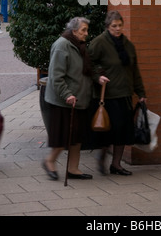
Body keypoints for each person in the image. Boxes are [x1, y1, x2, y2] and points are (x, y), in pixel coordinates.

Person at [88, 10, 147, 176]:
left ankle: (116, 164)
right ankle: (102, 156)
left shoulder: (128, 45)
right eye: (114, 26)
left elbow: (134, 70)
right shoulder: (99, 43)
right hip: (107, 96)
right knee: (108, 130)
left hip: (125, 95)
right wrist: (98, 76)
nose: (117, 29)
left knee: (123, 131)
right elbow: (88, 64)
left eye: (120, 25)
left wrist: (141, 92)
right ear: (108, 26)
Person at [43, 17, 93, 180]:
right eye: (83, 30)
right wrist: (67, 94)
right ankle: (49, 161)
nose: (86, 33)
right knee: (63, 136)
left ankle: (73, 169)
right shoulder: (62, 45)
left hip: (78, 100)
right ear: (73, 31)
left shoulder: (79, 46)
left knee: (76, 136)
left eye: (86, 29)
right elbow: (56, 76)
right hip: (63, 101)